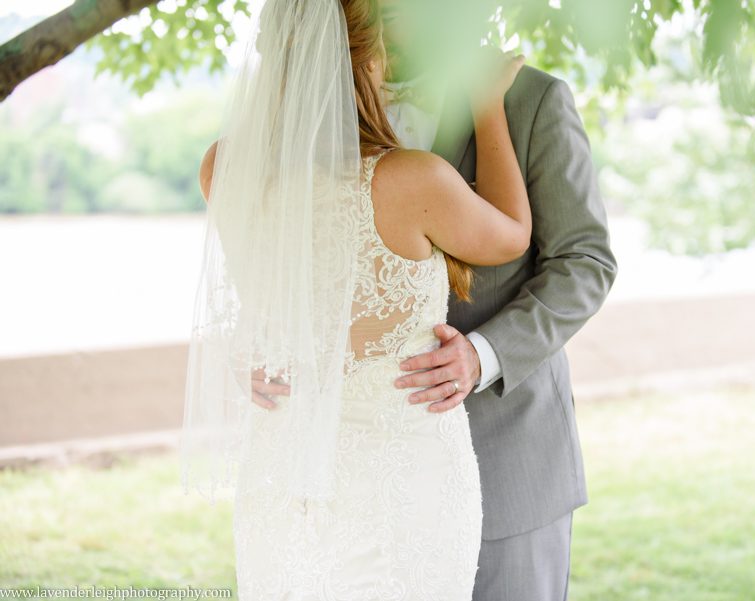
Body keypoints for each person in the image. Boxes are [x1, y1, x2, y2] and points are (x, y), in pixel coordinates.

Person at [185, 0, 530, 598]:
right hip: (402, 480)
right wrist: (488, 103)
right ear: (366, 56)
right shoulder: (411, 180)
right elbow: (511, 234)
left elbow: (263, 303)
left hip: (282, 471)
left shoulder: (223, 167)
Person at [377, 1, 619, 599]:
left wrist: (482, 356)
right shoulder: (330, 104)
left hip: (508, 459)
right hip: (370, 467)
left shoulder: (531, 100)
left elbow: (584, 263)